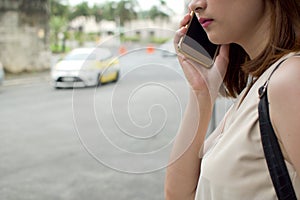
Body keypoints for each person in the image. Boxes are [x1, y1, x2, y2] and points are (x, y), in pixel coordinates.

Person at [165, 0, 300, 199]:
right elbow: (179, 195)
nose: (195, 4)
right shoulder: (259, 87)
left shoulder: (290, 80)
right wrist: (201, 93)